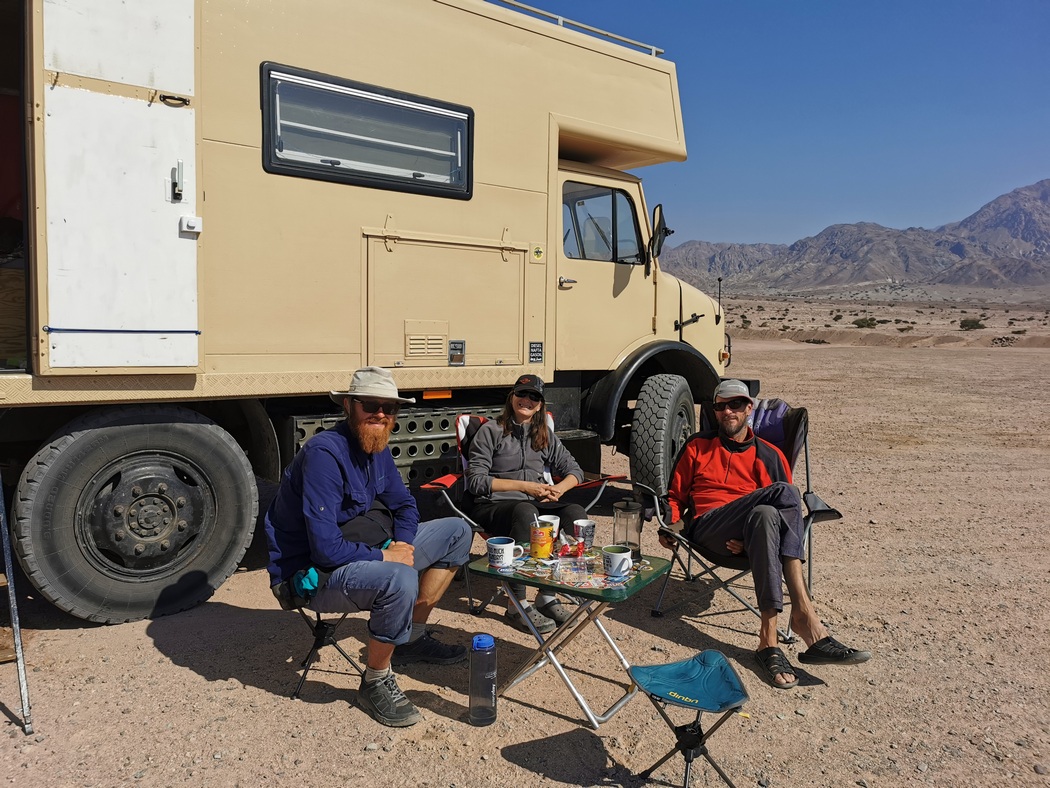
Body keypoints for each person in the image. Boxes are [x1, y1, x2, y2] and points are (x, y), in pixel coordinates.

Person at [263, 366, 473, 727]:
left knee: (457, 530)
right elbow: (326, 548)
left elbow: (405, 505)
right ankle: (374, 681)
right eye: (370, 405)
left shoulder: (377, 448)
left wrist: (404, 547)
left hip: (362, 553)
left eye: (389, 408)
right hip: (313, 572)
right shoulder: (324, 454)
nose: (381, 414)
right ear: (348, 405)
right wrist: (386, 557)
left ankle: (411, 638)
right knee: (398, 580)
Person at [663, 379, 871, 689]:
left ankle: (768, 642)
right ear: (715, 412)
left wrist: (750, 542)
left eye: (736, 405)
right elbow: (675, 497)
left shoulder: (771, 455)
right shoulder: (697, 446)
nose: (728, 411)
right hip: (708, 528)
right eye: (721, 406)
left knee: (766, 513)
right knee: (786, 492)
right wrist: (671, 525)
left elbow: (781, 520)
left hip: (751, 539)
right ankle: (804, 613)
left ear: (749, 408)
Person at [465, 374, 586, 634]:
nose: (527, 400)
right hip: (494, 505)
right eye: (522, 394)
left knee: (574, 513)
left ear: (540, 405)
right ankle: (515, 604)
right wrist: (525, 487)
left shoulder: (543, 435)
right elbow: (475, 481)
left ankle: (547, 596)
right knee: (527, 511)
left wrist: (558, 489)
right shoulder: (491, 431)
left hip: (532, 503)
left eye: (534, 397)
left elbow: (575, 470)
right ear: (512, 398)